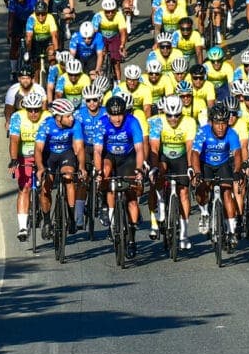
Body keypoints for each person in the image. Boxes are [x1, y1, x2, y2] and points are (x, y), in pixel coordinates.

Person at [94, 95, 145, 259]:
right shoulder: (101, 123)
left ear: (125, 113)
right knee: (106, 173)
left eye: (120, 114)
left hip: (128, 157)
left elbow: (139, 149)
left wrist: (138, 170)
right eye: (113, 115)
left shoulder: (132, 122)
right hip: (110, 156)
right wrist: (98, 172)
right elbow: (97, 151)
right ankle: (106, 207)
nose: (117, 119)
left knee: (131, 196)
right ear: (108, 114)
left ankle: (131, 238)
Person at [191, 103, 243, 250]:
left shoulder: (231, 134)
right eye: (217, 123)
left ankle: (231, 230)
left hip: (223, 164)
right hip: (205, 164)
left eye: (224, 123)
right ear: (211, 122)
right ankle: (204, 213)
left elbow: (238, 154)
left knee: (227, 193)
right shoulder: (203, 132)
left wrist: (238, 170)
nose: (221, 127)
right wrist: (197, 172)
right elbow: (194, 153)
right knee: (202, 188)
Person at [148, 94, 196, 250]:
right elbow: (154, 147)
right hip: (164, 156)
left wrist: (190, 166)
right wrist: (154, 167)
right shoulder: (157, 121)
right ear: (164, 113)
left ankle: (184, 232)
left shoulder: (189, 122)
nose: (173, 119)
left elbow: (190, 147)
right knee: (159, 175)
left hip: (181, 157)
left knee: (183, 193)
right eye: (169, 115)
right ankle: (161, 204)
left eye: (177, 115)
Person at [34, 98, 86, 238]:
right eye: (68, 116)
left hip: (66, 153)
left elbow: (80, 148)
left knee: (69, 177)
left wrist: (81, 167)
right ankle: (46, 221)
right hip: (49, 155)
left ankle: (71, 217)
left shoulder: (75, 125)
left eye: (72, 114)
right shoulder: (46, 125)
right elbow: (38, 149)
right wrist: (40, 168)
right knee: (46, 186)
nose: (71, 118)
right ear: (58, 117)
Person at [8, 90, 50, 240]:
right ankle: (23, 227)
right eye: (30, 110)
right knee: (24, 188)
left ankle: (47, 220)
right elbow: (14, 140)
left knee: (45, 188)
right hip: (24, 156)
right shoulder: (17, 117)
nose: (33, 113)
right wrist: (14, 159)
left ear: (41, 109)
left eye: (36, 110)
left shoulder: (47, 117)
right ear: (25, 109)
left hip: (43, 156)